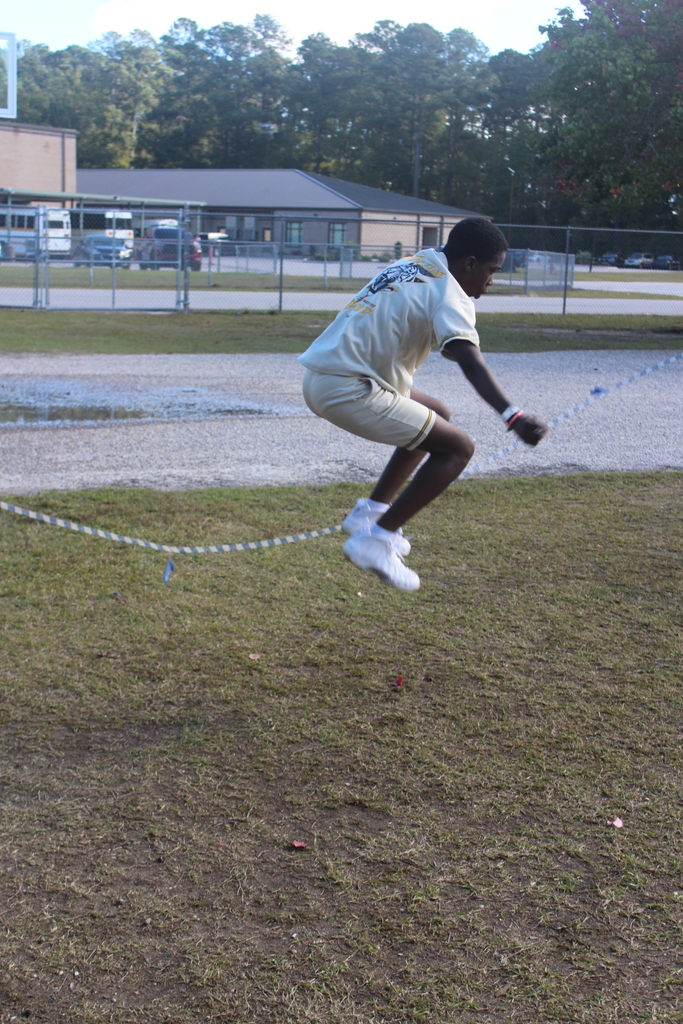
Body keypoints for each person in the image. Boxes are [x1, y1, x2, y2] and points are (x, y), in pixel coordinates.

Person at [298, 218, 547, 592]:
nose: (491, 281)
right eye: (491, 271)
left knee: (439, 415)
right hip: (347, 388)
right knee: (458, 449)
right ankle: (376, 540)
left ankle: (372, 512)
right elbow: (470, 360)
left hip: (324, 374)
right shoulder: (451, 293)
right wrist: (514, 416)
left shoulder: (418, 262)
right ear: (469, 264)